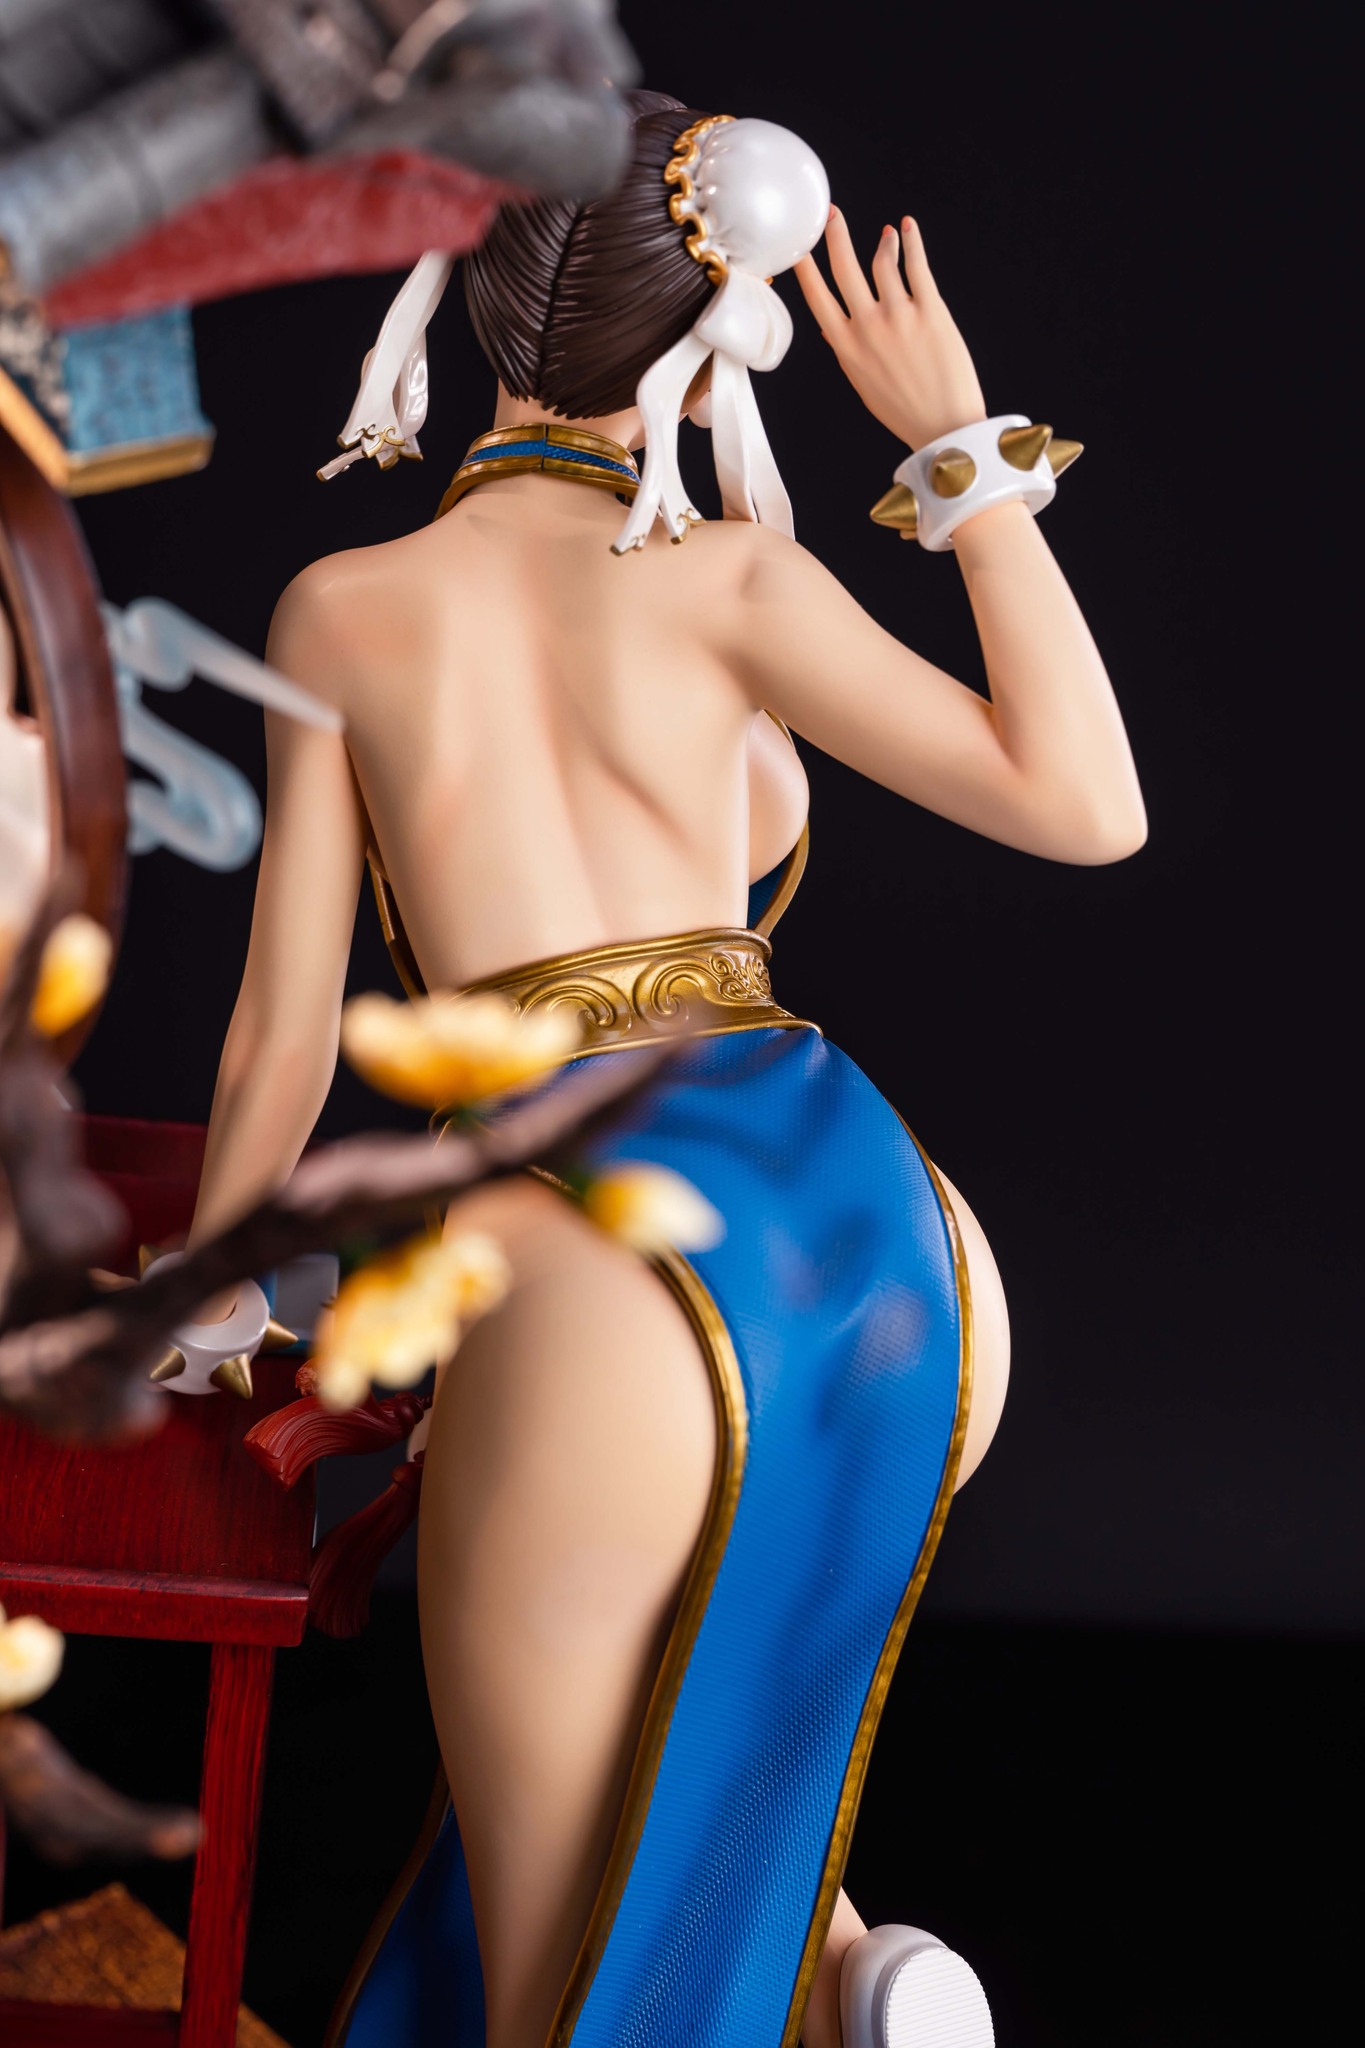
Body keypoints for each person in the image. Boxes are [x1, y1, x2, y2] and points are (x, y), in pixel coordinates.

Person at [179, 90, 1145, 2048]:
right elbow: (1088, 804)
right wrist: (961, 451)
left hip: (584, 1243)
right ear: (713, 324)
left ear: (459, 296)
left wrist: (204, 1303)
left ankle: (831, 1977)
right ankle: (852, 1974)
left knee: (561, 1943)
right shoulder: (732, 580)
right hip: (877, 1225)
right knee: (725, 1773)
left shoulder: (344, 610)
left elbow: (282, 1027)